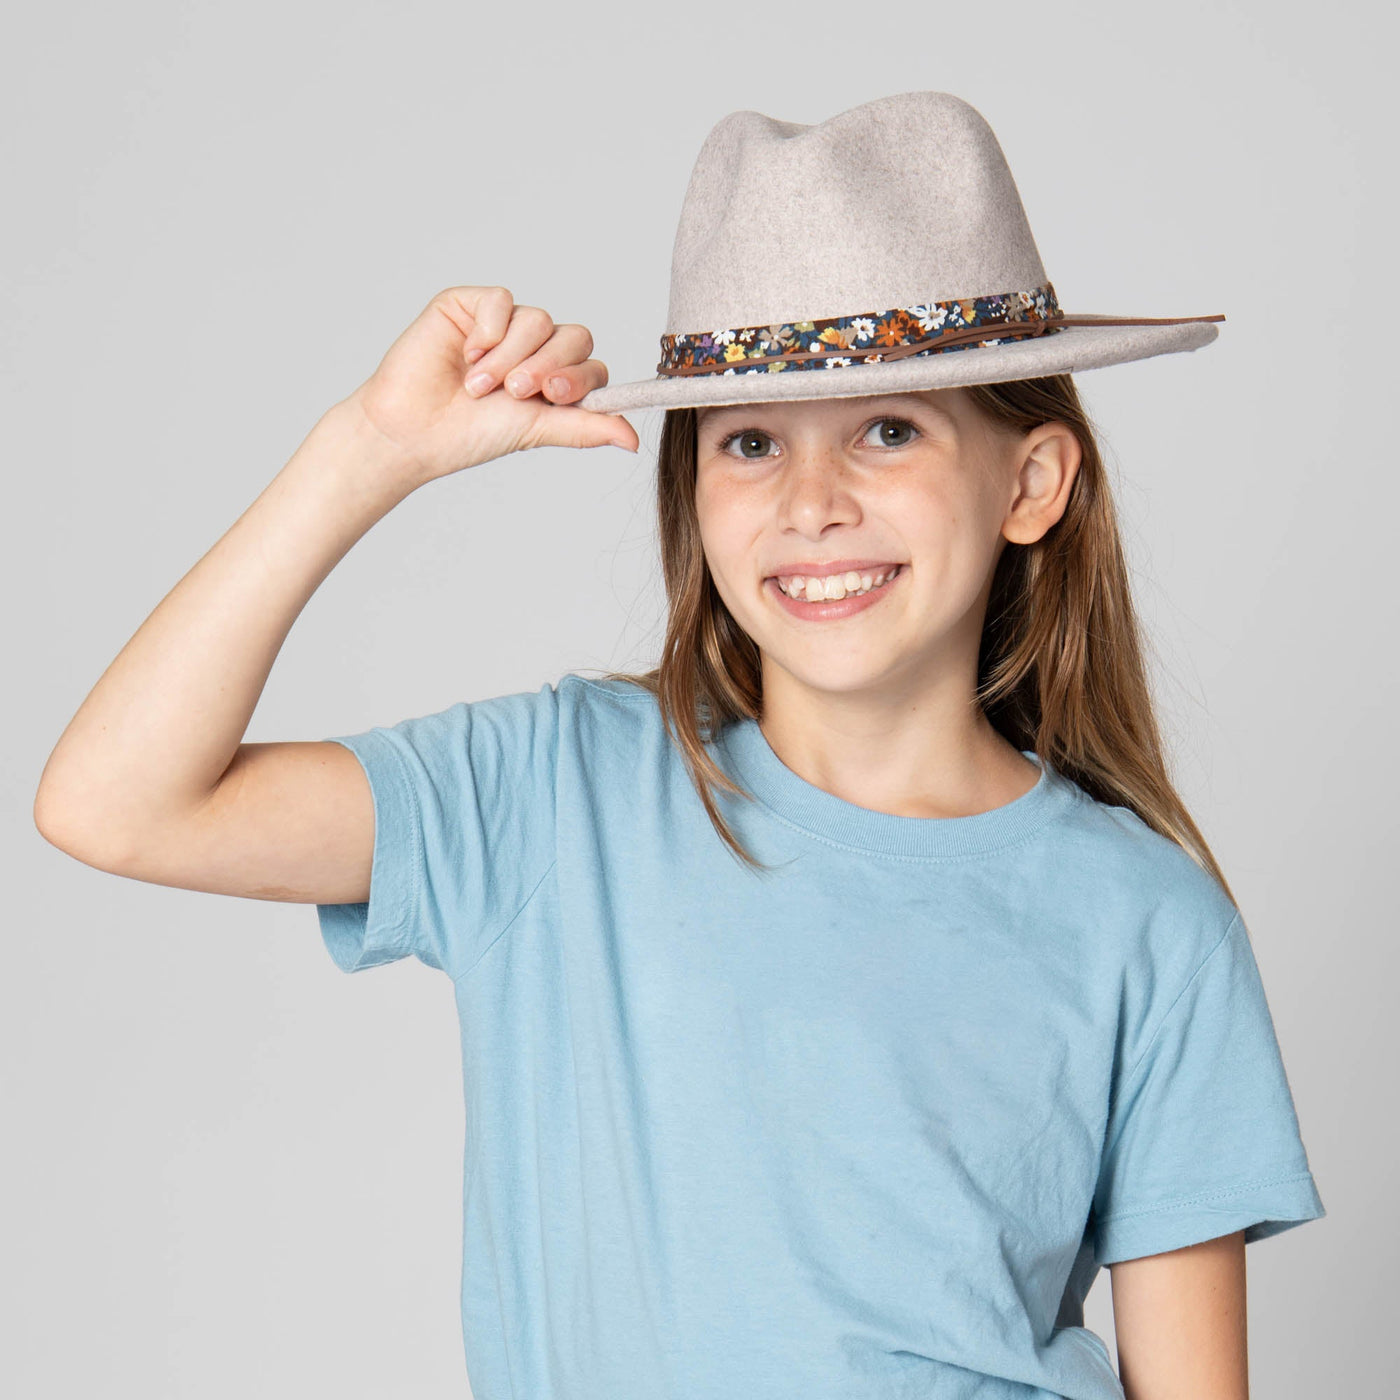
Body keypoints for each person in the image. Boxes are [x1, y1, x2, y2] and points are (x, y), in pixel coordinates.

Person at [34, 91, 1324, 1400]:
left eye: (890, 429)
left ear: (1032, 484)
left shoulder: (1148, 921)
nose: (812, 503)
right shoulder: (552, 797)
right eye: (752, 441)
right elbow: (119, 803)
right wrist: (366, 452)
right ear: (694, 492)